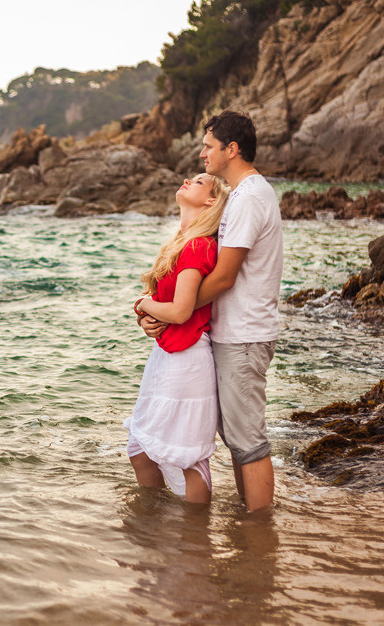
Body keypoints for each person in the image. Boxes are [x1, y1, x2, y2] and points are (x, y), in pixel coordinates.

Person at [140, 110, 283, 512]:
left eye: (208, 146)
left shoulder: (251, 196)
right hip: (231, 333)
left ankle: (259, 535)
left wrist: (173, 310)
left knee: (248, 439)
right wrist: (167, 311)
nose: (203, 154)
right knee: (237, 435)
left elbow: (223, 278)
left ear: (231, 149)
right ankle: (245, 521)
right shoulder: (241, 197)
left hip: (245, 335)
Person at [125, 172, 230, 503]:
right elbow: (167, 308)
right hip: (166, 355)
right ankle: (156, 525)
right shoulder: (181, 242)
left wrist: (142, 304)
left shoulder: (198, 245)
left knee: (187, 458)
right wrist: (147, 318)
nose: (187, 180)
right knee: (141, 450)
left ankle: (195, 538)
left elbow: (182, 310)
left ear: (211, 200)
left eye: (198, 181)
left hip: (187, 358)